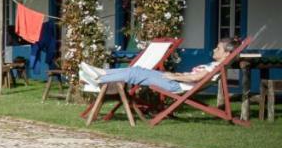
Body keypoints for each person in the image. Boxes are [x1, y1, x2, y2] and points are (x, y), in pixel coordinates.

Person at [80, 37, 240, 94]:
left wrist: (174, 75)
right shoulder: (214, 65)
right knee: (136, 70)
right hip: (176, 82)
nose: (214, 49)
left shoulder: (214, 68)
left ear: (226, 54)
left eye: (218, 48)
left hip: (176, 85)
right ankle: (101, 74)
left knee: (135, 74)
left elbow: (197, 77)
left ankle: (100, 77)